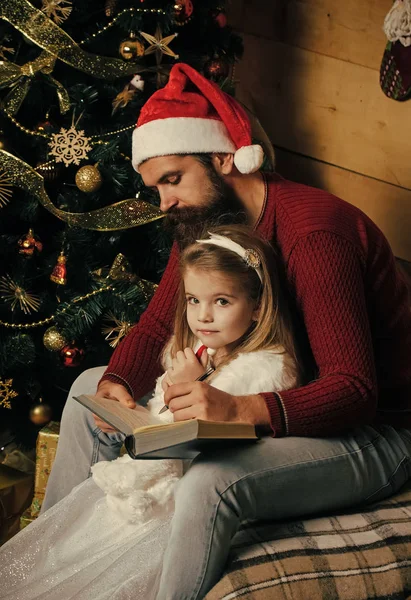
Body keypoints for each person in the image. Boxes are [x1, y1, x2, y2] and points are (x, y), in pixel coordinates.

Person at [40, 62, 411, 600]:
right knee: (84, 391)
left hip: (378, 433)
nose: (164, 202)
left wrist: (239, 410)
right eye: (156, 187)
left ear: (222, 157)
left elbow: (355, 391)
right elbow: (152, 329)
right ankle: (53, 570)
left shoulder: (313, 234)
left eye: (172, 179)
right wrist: (118, 382)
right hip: (275, 396)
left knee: (209, 483)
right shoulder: (207, 224)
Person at [0, 225, 299, 600]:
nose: (203, 316)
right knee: (61, 554)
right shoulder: (203, 349)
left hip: (179, 494)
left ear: (257, 307)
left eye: (222, 301)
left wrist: (185, 388)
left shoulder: (263, 369)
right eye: (193, 300)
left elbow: (192, 438)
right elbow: (160, 411)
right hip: (156, 474)